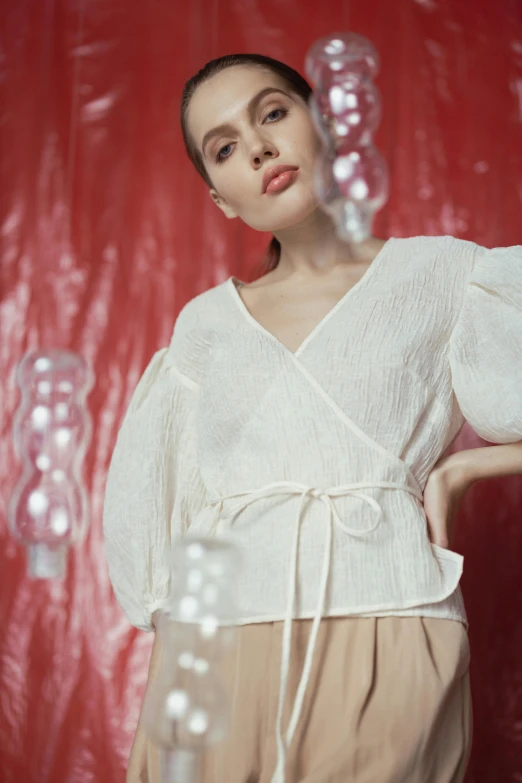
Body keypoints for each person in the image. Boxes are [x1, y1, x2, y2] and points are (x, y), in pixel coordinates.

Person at [103, 53, 522, 783]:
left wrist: (461, 469)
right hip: (211, 644)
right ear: (221, 198)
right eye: (226, 147)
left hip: (389, 611)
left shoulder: (446, 275)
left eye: (272, 113)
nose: (258, 147)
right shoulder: (203, 327)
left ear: (326, 122)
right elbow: (169, 525)